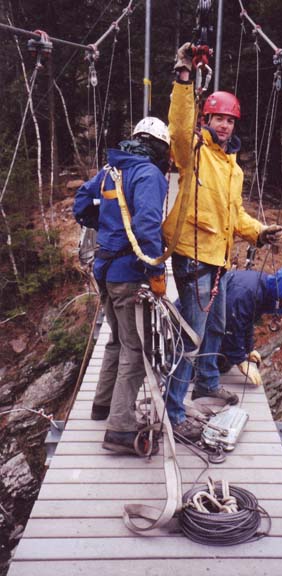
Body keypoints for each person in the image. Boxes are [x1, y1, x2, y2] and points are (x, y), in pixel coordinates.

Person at [162, 43, 282, 440]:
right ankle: (173, 409)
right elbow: (179, 129)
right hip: (192, 256)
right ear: (207, 117)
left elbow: (233, 216)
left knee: (216, 325)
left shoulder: (232, 167)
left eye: (230, 120)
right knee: (193, 335)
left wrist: (258, 231)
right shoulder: (193, 152)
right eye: (218, 118)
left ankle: (207, 382)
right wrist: (184, 79)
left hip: (218, 259)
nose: (225, 126)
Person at [73, 117, 170, 455]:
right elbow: (147, 225)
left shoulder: (111, 170)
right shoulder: (148, 175)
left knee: (117, 338)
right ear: (160, 147)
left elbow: (81, 204)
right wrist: (155, 270)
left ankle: (102, 406)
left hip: (105, 267)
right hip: (128, 273)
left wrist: (106, 226)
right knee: (135, 348)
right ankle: (120, 428)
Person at [219, 265, 282, 385]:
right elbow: (232, 326)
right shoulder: (248, 292)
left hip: (223, 320)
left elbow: (246, 322)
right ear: (281, 288)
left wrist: (248, 349)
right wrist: (241, 361)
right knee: (216, 362)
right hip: (204, 320)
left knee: (224, 365)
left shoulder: (264, 290)